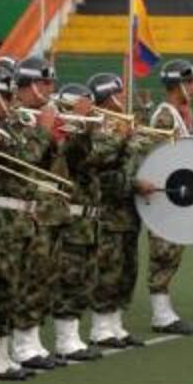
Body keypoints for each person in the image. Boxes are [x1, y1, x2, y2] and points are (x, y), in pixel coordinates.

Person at [0, 64, 45, 381]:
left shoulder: (8, 123)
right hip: (1, 217)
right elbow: (27, 156)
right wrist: (44, 130)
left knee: (15, 287)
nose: (11, 99)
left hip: (19, 215)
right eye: (6, 94)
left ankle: (4, 355)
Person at [53, 83, 123, 361]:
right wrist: (85, 126)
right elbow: (80, 158)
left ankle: (72, 336)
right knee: (70, 277)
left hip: (89, 219)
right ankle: (64, 339)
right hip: (73, 217)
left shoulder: (87, 135)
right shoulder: (67, 136)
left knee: (84, 278)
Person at [10, 56, 69, 370]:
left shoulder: (48, 115)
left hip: (53, 208)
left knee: (45, 277)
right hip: (27, 210)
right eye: (45, 82)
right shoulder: (16, 117)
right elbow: (25, 162)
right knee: (27, 277)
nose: (51, 88)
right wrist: (45, 130)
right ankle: (20, 343)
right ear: (29, 84)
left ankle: (31, 339)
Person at [87, 72, 143, 349]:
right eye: (118, 94)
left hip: (128, 207)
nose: (123, 99)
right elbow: (101, 159)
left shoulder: (120, 125)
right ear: (108, 97)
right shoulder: (97, 127)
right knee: (108, 269)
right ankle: (100, 327)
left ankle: (117, 324)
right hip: (108, 209)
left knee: (127, 270)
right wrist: (123, 139)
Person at [146, 60, 193, 335]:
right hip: (164, 197)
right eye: (189, 82)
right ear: (178, 84)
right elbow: (159, 158)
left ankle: (164, 310)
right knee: (163, 254)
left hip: (175, 195)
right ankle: (160, 313)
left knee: (173, 254)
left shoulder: (178, 115)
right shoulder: (165, 116)